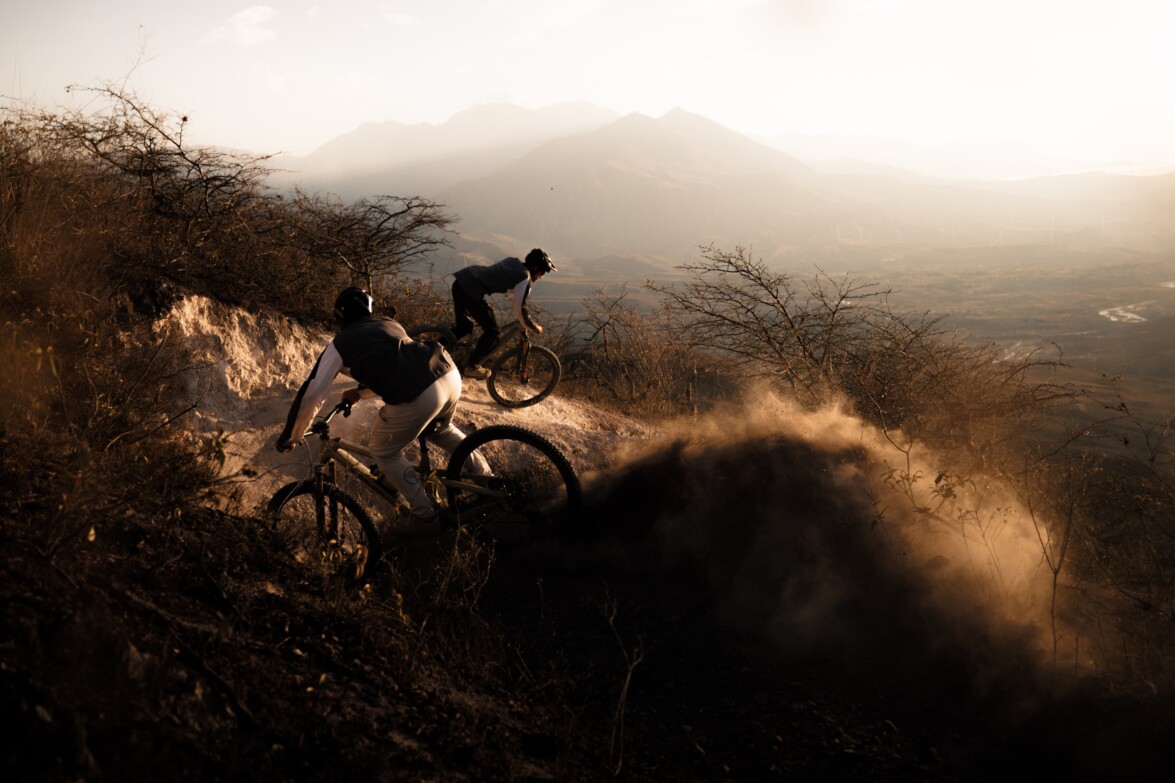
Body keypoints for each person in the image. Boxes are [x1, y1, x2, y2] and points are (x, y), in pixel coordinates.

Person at [276, 286, 490, 523]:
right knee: (441, 430)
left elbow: (313, 393)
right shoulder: (389, 323)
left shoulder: (339, 344)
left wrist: (291, 436)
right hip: (448, 374)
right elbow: (398, 365)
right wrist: (358, 394)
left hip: (421, 392)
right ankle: (487, 478)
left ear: (340, 317)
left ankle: (425, 515)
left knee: (383, 451)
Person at [450, 248, 556, 379]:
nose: (540, 276)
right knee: (493, 331)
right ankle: (471, 366)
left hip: (462, 280)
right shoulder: (524, 277)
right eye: (541, 272)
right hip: (470, 290)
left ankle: (430, 348)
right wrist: (533, 326)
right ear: (535, 268)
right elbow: (519, 308)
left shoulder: (513, 262)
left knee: (465, 326)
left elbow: (501, 277)